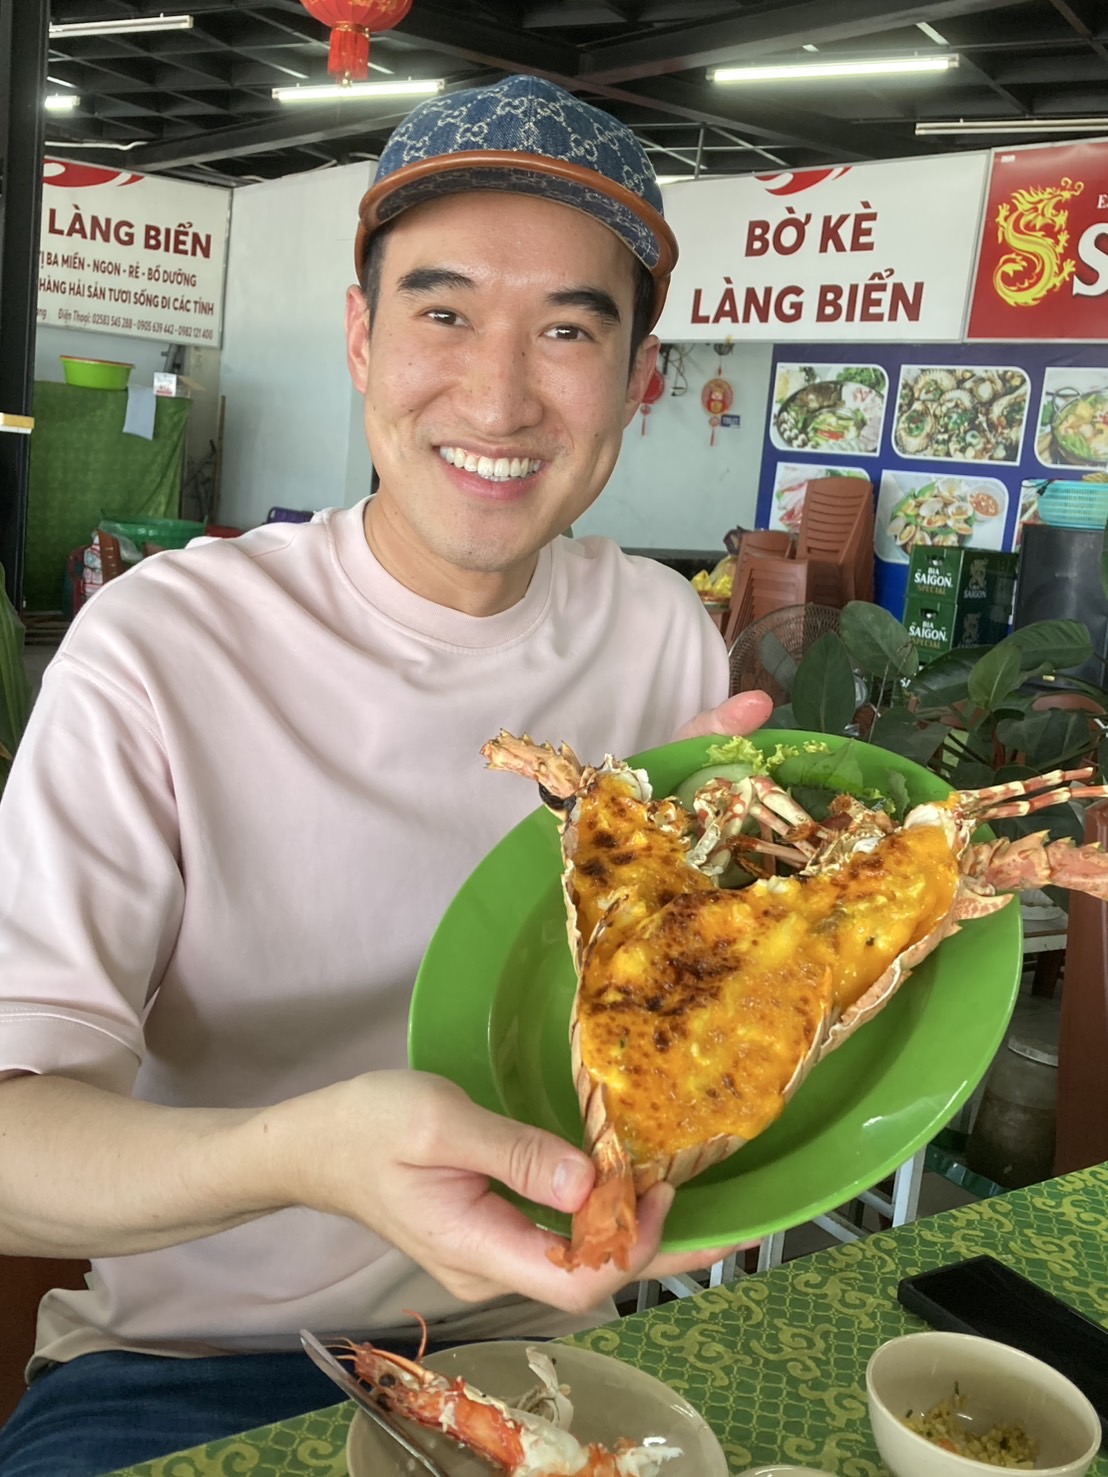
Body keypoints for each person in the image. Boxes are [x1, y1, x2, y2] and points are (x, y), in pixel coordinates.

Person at [0, 74, 771, 1474]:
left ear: (640, 379)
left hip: (542, 1344)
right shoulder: (161, 650)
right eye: (443, 312)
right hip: (188, 1367)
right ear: (361, 337)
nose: (498, 394)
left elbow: (673, 1012)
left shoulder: (661, 632)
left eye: (568, 329)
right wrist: (303, 1159)